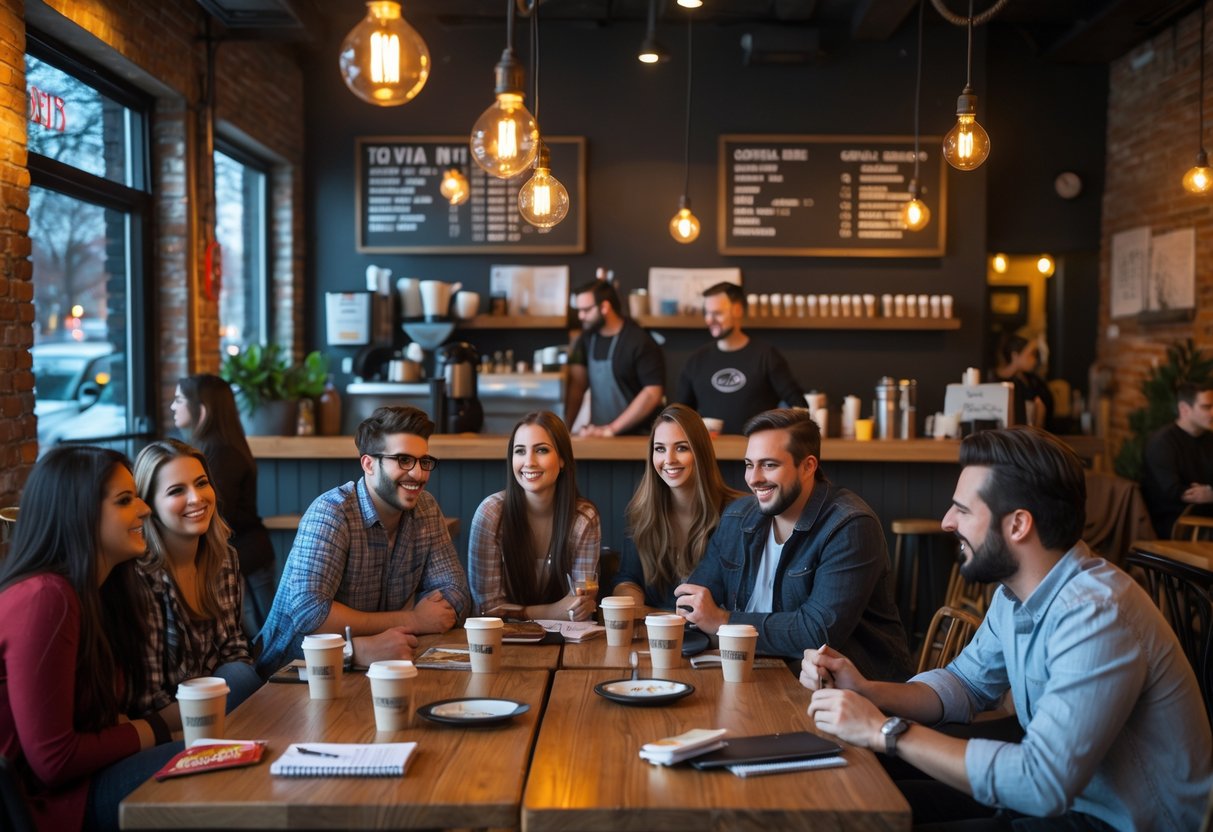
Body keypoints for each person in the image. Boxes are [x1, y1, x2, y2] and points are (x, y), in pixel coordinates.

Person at [801, 426, 1212, 830]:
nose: (946, 522)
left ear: (1018, 525)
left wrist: (884, 730)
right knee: (856, 803)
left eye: (962, 510)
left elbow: (1041, 783)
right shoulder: (1015, 595)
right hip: (1058, 802)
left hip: (1115, 820)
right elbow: (963, 685)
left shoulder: (1096, 614)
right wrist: (866, 690)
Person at [0, 447, 179, 832]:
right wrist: (158, 730)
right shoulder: (44, 598)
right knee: (198, 762)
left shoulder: (96, 593)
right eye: (125, 500)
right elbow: (54, 761)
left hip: (79, 784)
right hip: (43, 807)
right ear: (78, 512)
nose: (145, 509)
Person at [674, 408, 912, 680]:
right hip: (752, 672)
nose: (753, 479)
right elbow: (693, 602)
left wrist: (723, 621)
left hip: (844, 690)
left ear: (808, 466)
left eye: (769, 465)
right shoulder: (738, 517)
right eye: (749, 464)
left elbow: (817, 632)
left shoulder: (850, 525)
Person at [253, 406, 470, 676]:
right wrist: (414, 619)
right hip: (289, 674)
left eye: (423, 461)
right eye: (403, 460)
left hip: (376, 667)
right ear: (368, 464)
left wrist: (378, 640)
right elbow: (310, 614)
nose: (417, 473)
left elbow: (456, 594)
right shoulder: (332, 513)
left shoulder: (425, 509)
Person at [128, 439, 263, 727]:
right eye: (177, 491)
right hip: (163, 720)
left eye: (202, 483)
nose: (196, 498)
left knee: (244, 678)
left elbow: (234, 650)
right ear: (148, 505)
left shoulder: (223, 558)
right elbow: (148, 701)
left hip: (219, 696)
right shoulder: (141, 575)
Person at [468, 411, 601, 620]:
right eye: (520, 451)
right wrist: (551, 611)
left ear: (562, 459)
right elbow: (487, 609)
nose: (529, 461)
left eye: (541, 450)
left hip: (567, 641)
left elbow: (578, 604)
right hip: (504, 639)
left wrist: (579, 606)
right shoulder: (490, 515)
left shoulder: (583, 519)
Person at [171, 374, 276, 635]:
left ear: (202, 409)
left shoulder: (220, 452)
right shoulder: (218, 447)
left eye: (179, 400)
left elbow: (218, 515)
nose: (173, 406)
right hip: (248, 554)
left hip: (245, 559)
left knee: (265, 641)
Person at [613, 404, 744, 609]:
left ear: (700, 452)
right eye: (660, 449)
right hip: (656, 632)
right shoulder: (641, 512)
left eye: (681, 448)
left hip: (715, 637)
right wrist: (630, 598)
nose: (669, 459)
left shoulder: (735, 513)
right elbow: (629, 577)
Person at [672, 282, 806, 435]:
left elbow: (799, 405)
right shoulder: (696, 360)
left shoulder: (766, 356)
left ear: (737, 310)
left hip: (758, 455)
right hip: (707, 455)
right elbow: (680, 415)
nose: (709, 319)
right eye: (707, 313)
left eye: (717, 313)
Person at [565, 278, 665, 436]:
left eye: (586, 310)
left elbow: (652, 393)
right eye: (579, 310)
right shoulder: (585, 340)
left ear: (605, 307)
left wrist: (612, 429)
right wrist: (565, 429)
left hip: (638, 437)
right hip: (597, 435)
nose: (581, 316)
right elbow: (577, 385)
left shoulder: (640, 341)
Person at [1141, 381, 1213, 538]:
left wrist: (1210, 494)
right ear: (1184, 409)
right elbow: (1173, 491)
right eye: (1206, 407)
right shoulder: (1162, 443)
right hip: (1175, 524)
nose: (1212, 413)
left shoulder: (1209, 438)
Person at [993, 332, 1053, 430]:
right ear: (1015, 356)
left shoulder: (1032, 380)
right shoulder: (996, 383)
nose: (1034, 359)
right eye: (1032, 354)